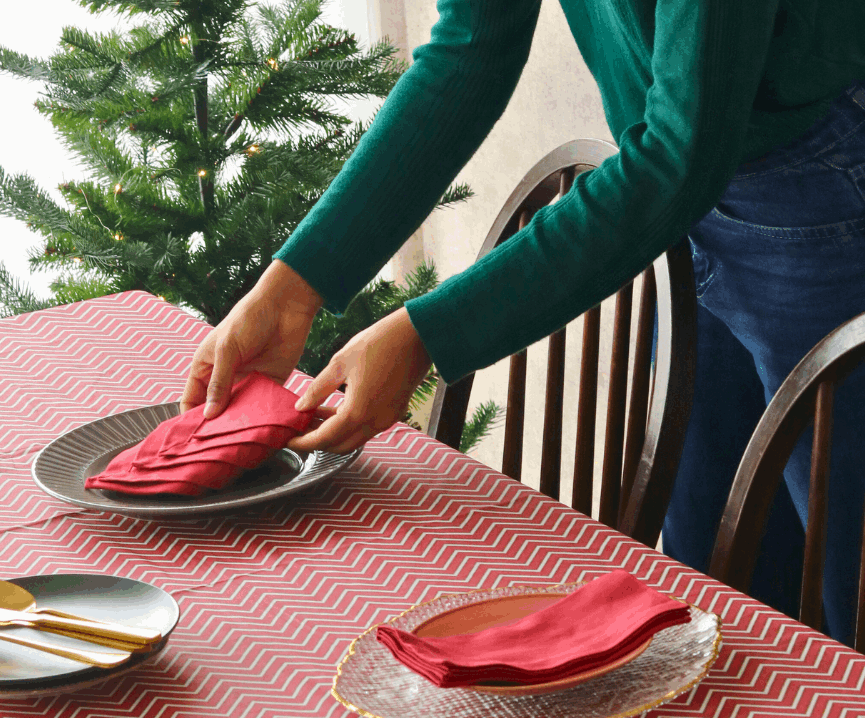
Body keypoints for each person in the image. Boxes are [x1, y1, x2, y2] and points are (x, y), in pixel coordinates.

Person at [181, 0, 865, 645]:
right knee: (719, 598)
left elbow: (680, 151)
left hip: (818, 184)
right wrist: (295, 284)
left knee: (849, 599)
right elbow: (471, 51)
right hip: (683, 182)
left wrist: (430, 335)